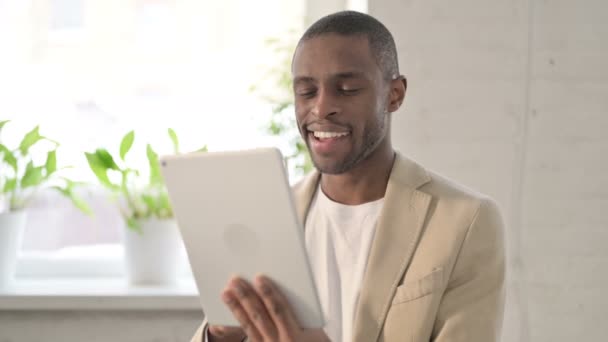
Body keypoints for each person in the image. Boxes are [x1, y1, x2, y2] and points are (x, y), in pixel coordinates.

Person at [191, 10, 506, 342]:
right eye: (307, 92)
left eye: (347, 89)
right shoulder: (266, 217)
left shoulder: (466, 221)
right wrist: (220, 335)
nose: (322, 107)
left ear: (394, 94)